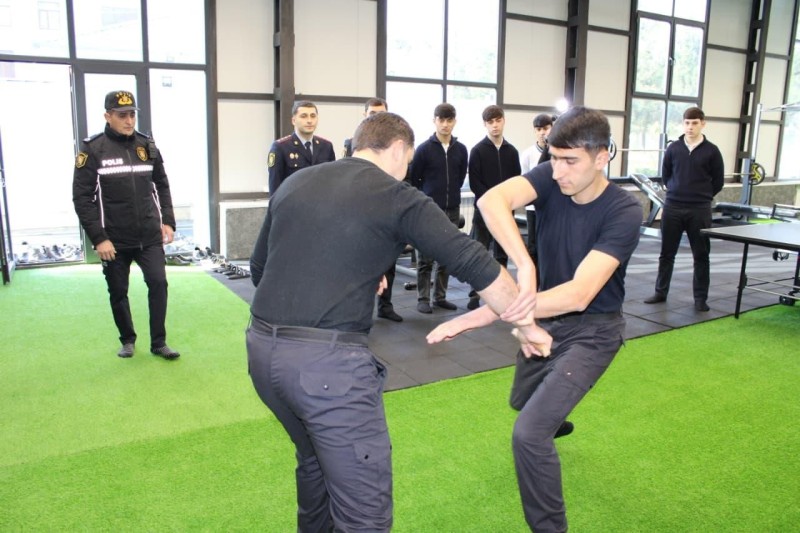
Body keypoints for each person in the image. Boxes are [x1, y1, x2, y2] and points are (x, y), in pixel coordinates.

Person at [246, 112, 552, 532]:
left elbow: (260, 270)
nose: (406, 170)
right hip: (326, 371)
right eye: (407, 161)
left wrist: (350, 275)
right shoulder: (396, 195)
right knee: (365, 516)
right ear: (398, 149)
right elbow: (474, 262)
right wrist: (527, 327)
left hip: (262, 354)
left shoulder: (298, 182)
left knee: (314, 464)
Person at [427, 106, 643, 533]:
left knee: (528, 434)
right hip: (544, 317)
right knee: (522, 401)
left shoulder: (624, 211)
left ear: (602, 157)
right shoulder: (551, 176)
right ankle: (553, 415)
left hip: (593, 331)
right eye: (554, 158)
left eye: (570, 161)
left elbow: (579, 295)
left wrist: (488, 313)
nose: (558, 171)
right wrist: (524, 265)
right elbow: (490, 201)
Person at [72, 90, 181, 360]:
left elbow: (162, 185)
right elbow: (82, 198)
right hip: (114, 240)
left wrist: (168, 221)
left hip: (149, 235)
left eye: (132, 114)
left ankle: (159, 342)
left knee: (159, 283)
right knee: (118, 292)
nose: (129, 120)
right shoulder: (93, 149)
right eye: (122, 115)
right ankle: (128, 340)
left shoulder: (147, 146)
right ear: (107, 116)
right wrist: (99, 238)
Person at [644, 106, 724, 312]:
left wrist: (702, 196)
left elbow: (718, 181)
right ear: (683, 124)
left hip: (699, 209)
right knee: (666, 253)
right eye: (687, 123)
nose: (690, 127)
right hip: (673, 207)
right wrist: (676, 191)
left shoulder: (712, 151)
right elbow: (666, 175)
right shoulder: (674, 148)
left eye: (694, 123)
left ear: (703, 124)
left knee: (701, 255)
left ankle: (700, 299)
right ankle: (660, 292)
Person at [342, 98, 403, 322]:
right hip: (360, 210)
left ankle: (386, 306)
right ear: (365, 115)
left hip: (386, 209)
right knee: (359, 263)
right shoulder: (353, 143)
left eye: (381, 113)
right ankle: (358, 310)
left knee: (389, 262)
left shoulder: (395, 145)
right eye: (372, 113)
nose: (376, 117)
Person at [409, 102, 468, 314]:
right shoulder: (424, 149)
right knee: (425, 257)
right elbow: (415, 179)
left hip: (452, 209)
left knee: (446, 256)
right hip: (428, 210)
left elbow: (460, 178)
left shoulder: (461, 150)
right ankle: (423, 298)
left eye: (449, 120)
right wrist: (425, 200)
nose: (445, 124)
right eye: (441, 120)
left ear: (454, 122)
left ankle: (440, 297)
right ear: (434, 121)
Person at [466, 104, 521, 310]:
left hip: (506, 211)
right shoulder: (477, 151)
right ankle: (474, 294)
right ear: (485, 124)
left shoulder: (512, 152)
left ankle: (503, 293)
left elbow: (516, 181)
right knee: (479, 252)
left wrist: (505, 203)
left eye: (498, 121)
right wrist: (492, 203)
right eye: (490, 122)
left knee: (502, 252)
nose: (495, 125)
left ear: (503, 121)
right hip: (484, 212)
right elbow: (475, 183)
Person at [267, 100, 335, 195]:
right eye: (303, 116)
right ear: (293, 120)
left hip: (321, 202)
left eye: (313, 116)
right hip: (293, 203)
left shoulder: (326, 146)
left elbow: (332, 181)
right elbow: (275, 186)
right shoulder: (280, 147)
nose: (309, 121)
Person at [520, 113, 555, 262]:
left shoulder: (557, 152)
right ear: (534, 131)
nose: (542, 133)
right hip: (533, 208)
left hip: (552, 207)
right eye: (538, 129)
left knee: (550, 244)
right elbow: (525, 180)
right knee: (533, 246)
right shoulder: (527, 154)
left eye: (546, 128)